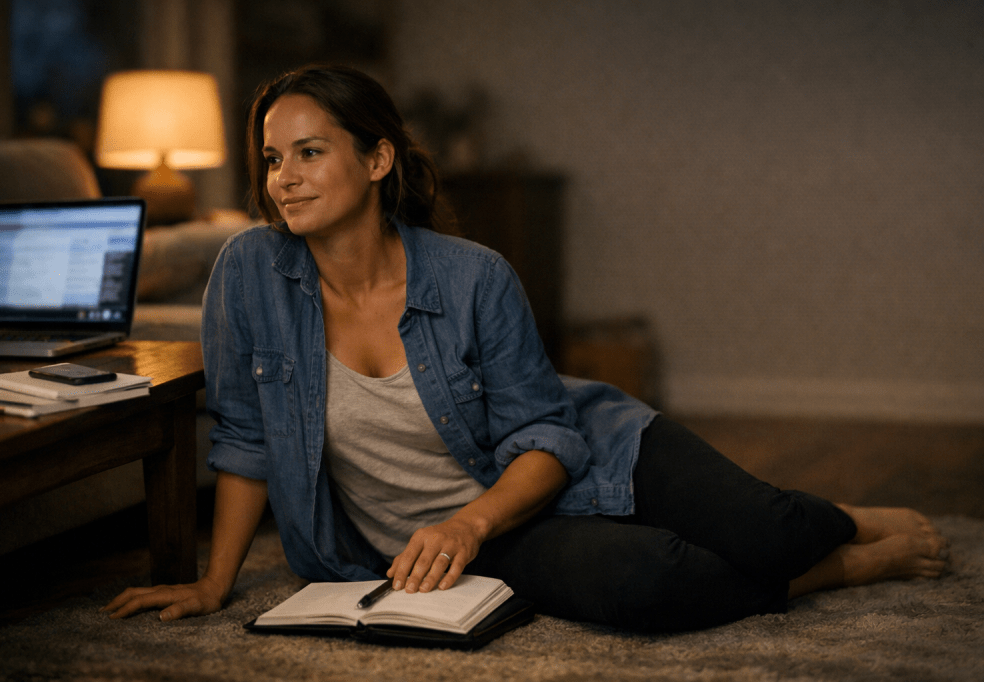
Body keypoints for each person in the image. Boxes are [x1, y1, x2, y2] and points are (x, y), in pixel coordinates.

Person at [103, 64, 950, 631]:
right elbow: (245, 438)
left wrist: (468, 522)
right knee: (648, 582)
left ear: (377, 159)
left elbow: (548, 439)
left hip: (573, 456)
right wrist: (217, 583)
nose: (283, 176)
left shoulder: (474, 277)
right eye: (272, 157)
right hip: (484, 536)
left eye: (310, 152)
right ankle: (831, 571)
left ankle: (838, 525)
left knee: (760, 527)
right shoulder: (249, 271)